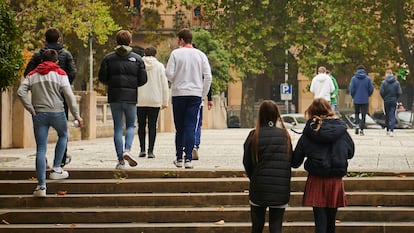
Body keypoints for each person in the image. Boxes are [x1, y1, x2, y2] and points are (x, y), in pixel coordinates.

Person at [17, 49, 83, 197]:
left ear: (41, 60)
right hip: (57, 112)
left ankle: (41, 187)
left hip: (39, 113)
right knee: (63, 135)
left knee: (41, 148)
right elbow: (69, 97)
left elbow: (20, 92)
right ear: (57, 61)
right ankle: (56, 169)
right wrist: (77, 115)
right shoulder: (60, 73)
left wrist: (30, 108)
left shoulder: (32, 75)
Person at [292, 98, 355, 233]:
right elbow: (350, 152)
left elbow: (296, 161)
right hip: (335, 179)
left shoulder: (309, 132)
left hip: (316, 178)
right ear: (329, 110)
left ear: (311, 112)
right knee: (331, 221)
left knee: (320, 221)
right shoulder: (341, 130)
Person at [24, 27, 77, 167]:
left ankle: (43, 161)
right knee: (63, 132)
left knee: (41, 136)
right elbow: (72, 73)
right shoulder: (66, 54)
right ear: (59, 39)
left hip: (40, 101)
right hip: (60, 99)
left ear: (45, 40)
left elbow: (27, 73)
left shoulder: (37, 55)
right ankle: (61, 161)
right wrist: (62, 86)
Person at [98, 29, 147, 169]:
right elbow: (143, 79)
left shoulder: (108, 58)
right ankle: (127, 150)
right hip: (131, 97)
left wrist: (112, 84)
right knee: (131, 125)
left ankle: (120, 160)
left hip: (114, 97)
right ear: (130, 42)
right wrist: (132, 85)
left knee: (118, 127)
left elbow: (102, 77)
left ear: (116, 41)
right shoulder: (137, 59)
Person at [165, 28, 212, 169]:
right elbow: (208, 76)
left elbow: (168, 73)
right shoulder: (201, 55)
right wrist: (202, 94)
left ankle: (179, 157)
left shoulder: (175, 54)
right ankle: (189, 159)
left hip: (179, 94)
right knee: (191, 127)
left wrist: (176, 79)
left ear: (181, 40)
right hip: (195, 94)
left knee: (179, 128)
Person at [243, 100, 292, 233]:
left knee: (257, 226)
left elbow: (247, 162)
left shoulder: (254, 135)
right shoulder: (285, 135)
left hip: (259, 187)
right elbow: (289, 161)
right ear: (277, 115)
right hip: (280, 188)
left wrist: (254, 177)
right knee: (276, 227)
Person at [137, 46, 169, 158]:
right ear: (155, 54)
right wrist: (165, 101)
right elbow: (164, 85)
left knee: (141, 125)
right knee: (152, 125)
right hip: (155, 100)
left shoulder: (139, 64)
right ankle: (150, 151)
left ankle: (142, 149)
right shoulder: (159, 66)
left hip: (140, 99)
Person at [349, 65, 374, 135]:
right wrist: (368, 95)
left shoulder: (354, 79)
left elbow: (351, 89)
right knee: (363, 114)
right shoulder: (368, 79)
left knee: (356, 113)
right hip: (365, 99)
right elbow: (371, 89)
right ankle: (362, 130)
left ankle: (356, 124)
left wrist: (353, 95)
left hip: (356, 99)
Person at [380, 69, 402, 137]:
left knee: (387, 115)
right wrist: (396, 98)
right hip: (393, 101)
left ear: (386, 74)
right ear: (392, 74)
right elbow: (399, 92)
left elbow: (381, 92)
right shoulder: (396, 83)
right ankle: (392, 130)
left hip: (386, 101)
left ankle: (387, 129)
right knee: (392, 115)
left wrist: (384, 98)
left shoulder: (384, 82)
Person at [193, 88, 213, 160]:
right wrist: (208, 98)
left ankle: (185, 148)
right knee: (197, 124)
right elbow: (208, 79)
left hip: (181, 96)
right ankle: (194, 145)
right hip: (197, 97)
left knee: (185, 124)